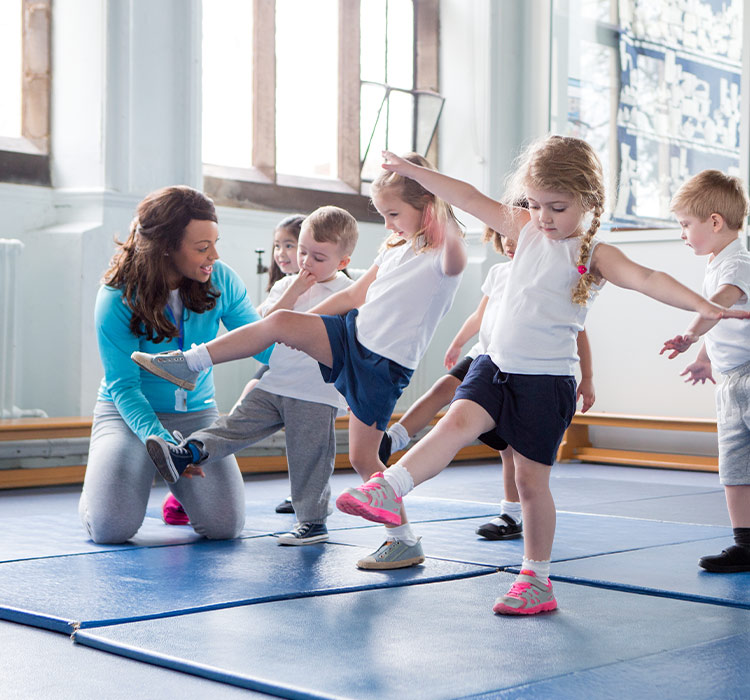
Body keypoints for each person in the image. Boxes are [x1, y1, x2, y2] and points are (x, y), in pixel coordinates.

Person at [334, 138, 750, 615]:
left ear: (589, 202)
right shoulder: (525, 229)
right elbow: (468, 196)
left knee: (531, 485)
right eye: (534, 204)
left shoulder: (593, 254)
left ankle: (536, 579)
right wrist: (416, 172)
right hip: (495, 367)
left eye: (557, 206)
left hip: (545, 383)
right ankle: (390, 488)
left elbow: (649, 278)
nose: (544, 216)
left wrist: (705, 307)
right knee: (453, 424)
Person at [132, 152, 467, 570]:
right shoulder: (395, 246)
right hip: (351, 338)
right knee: (280, 323)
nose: (387, 224)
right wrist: (298, 325)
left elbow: (455, 258)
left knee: (364, 459)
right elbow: (351, 297)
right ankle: (188, 363)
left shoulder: (443, 254)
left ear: (429, 207)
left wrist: (438, 201)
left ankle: (403, 540)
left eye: (393, 213)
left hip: (382, 364)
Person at [145, 206, 357, 545]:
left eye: (318, 257)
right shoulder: (286, 286)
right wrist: (294, 290)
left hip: (316, 391)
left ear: (342, 262)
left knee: (309, 457)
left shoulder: (348, 293)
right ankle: (185, 453)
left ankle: (313, 521)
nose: (305, 262)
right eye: (302, 251)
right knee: (234, 424)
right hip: (275, 382)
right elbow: (264, 327)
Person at [79, 185, 272, 544]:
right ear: (166, 246)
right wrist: (166, 447)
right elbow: (124, 386)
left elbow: (261, 344)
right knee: (111, 529)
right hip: (128, 414)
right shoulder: (116, 297)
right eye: (202, 247)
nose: (214, 254)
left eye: (215, 242)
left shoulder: (222, 279)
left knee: (225, 527)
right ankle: (101, 491)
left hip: (197, 415)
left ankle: (180, 494)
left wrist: (318, 358)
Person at [378, 228, 595, 541]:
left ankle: (511, 513)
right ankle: (394, 438)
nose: (508, 241)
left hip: (524, 369)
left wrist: (587, 378)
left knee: (511, 449)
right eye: (504, 234)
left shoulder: (551, 279)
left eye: (516, 235)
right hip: (484, 357)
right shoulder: (498, 273)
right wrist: (457, 343)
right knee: (442, 390)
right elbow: (480, 316)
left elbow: (580, 332)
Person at [660, 169, 750, 573]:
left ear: (714, 222)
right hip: (730, 381)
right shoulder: (717, 263)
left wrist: (690, 335)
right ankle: (745, 543)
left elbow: (717, 305)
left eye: (685, 225)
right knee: (734, 466)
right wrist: (705, 358)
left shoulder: (739, 263)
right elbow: (727, 324)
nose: (682, 233)